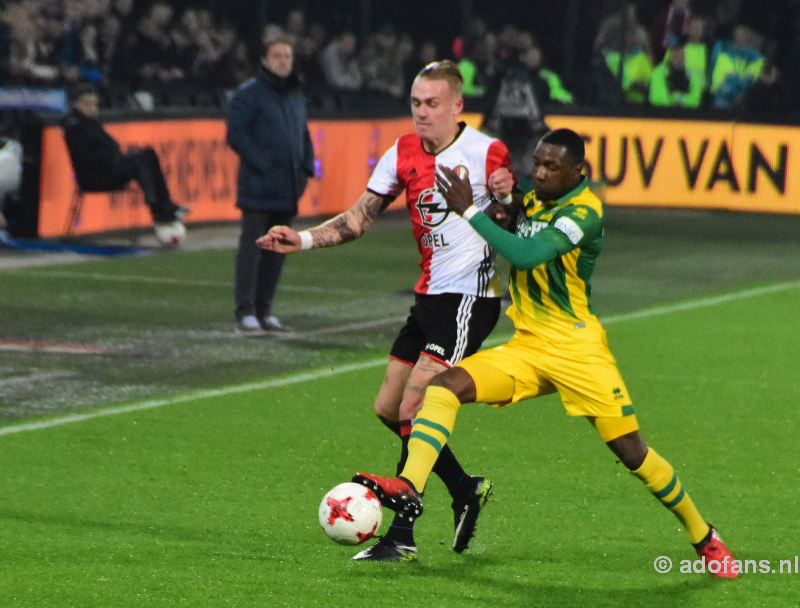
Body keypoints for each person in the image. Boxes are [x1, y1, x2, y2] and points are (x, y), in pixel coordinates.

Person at [352, 128, 739, 578]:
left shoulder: (585, 211)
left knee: (632, 452)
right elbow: (516, 220)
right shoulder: (532, 199)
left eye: (551, 167)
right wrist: (506, 203)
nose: (539, 172)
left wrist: (472, 210)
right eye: (536, 162)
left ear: (579, 172)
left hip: (577, 350)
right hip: (529, 346)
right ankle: (410, 487)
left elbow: (530, 253)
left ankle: (704, 536)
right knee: (442, 387)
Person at [259, 60, 515, 562]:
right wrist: (304, 239)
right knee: (388, 409)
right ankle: (464, 488)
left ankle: (401, 535)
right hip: (428, 297)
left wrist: (509, 195)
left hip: (470, 298)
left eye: (432, 104)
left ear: (457, 105)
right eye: (416, 103)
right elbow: (359, 219)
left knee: (415, 403)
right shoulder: (402, 152)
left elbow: (515, 217)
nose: (422, 112)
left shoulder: (487, 152)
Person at [226, 34, 314, 333]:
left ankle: (264, 310)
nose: (283, 61)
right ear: (264, 60)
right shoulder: (249, 94)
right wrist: (263, 165)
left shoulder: (294, 93)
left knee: (277, 251)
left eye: (287, 56)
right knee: (252, 250)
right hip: (258, 186)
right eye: (277, 56)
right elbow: (237, 135)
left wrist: (305, 168)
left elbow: (303, 134)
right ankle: (245, 311)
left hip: (287, 187)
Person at [61, 84, 187, 243]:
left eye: (95, 104)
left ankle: (165, 205)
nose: (93, 108)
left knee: (148, 154)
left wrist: (118, 157)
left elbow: (111, 145)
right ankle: (159, 209)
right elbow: (88, 155)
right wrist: (114, 158)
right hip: (96, 175)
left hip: (110, 168)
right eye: (89, 104)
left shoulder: (91, 122)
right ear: (77, 103)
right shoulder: (74, 124)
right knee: (139, 162)